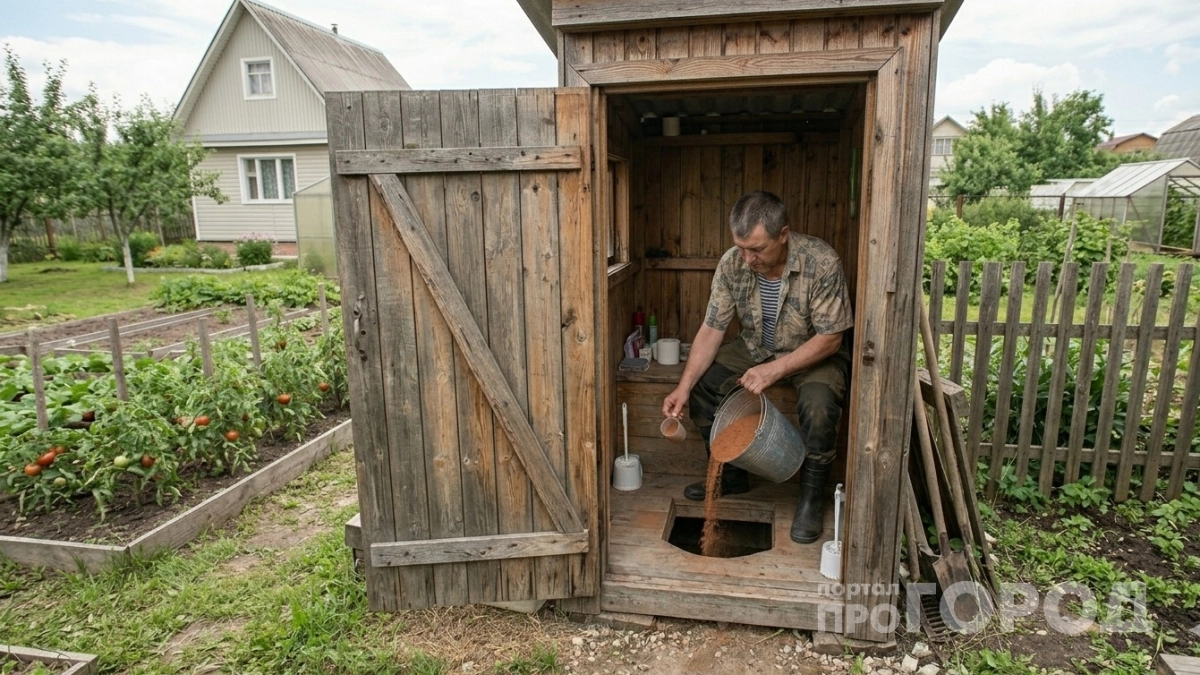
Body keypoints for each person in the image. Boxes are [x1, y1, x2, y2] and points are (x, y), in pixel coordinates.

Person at [661, 190, 853, 544]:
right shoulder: (733, 262)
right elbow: (712, 329)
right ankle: (729, 476)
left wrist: (776, 370)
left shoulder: (821, 261)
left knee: (819, 407)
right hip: (756, 347)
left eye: (757, 249)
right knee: (705, 388)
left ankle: (810, 498)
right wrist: (683, 388)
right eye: (741, 247)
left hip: (813, 353)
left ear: (783, 235)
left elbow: (831, 338)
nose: (747, 258)